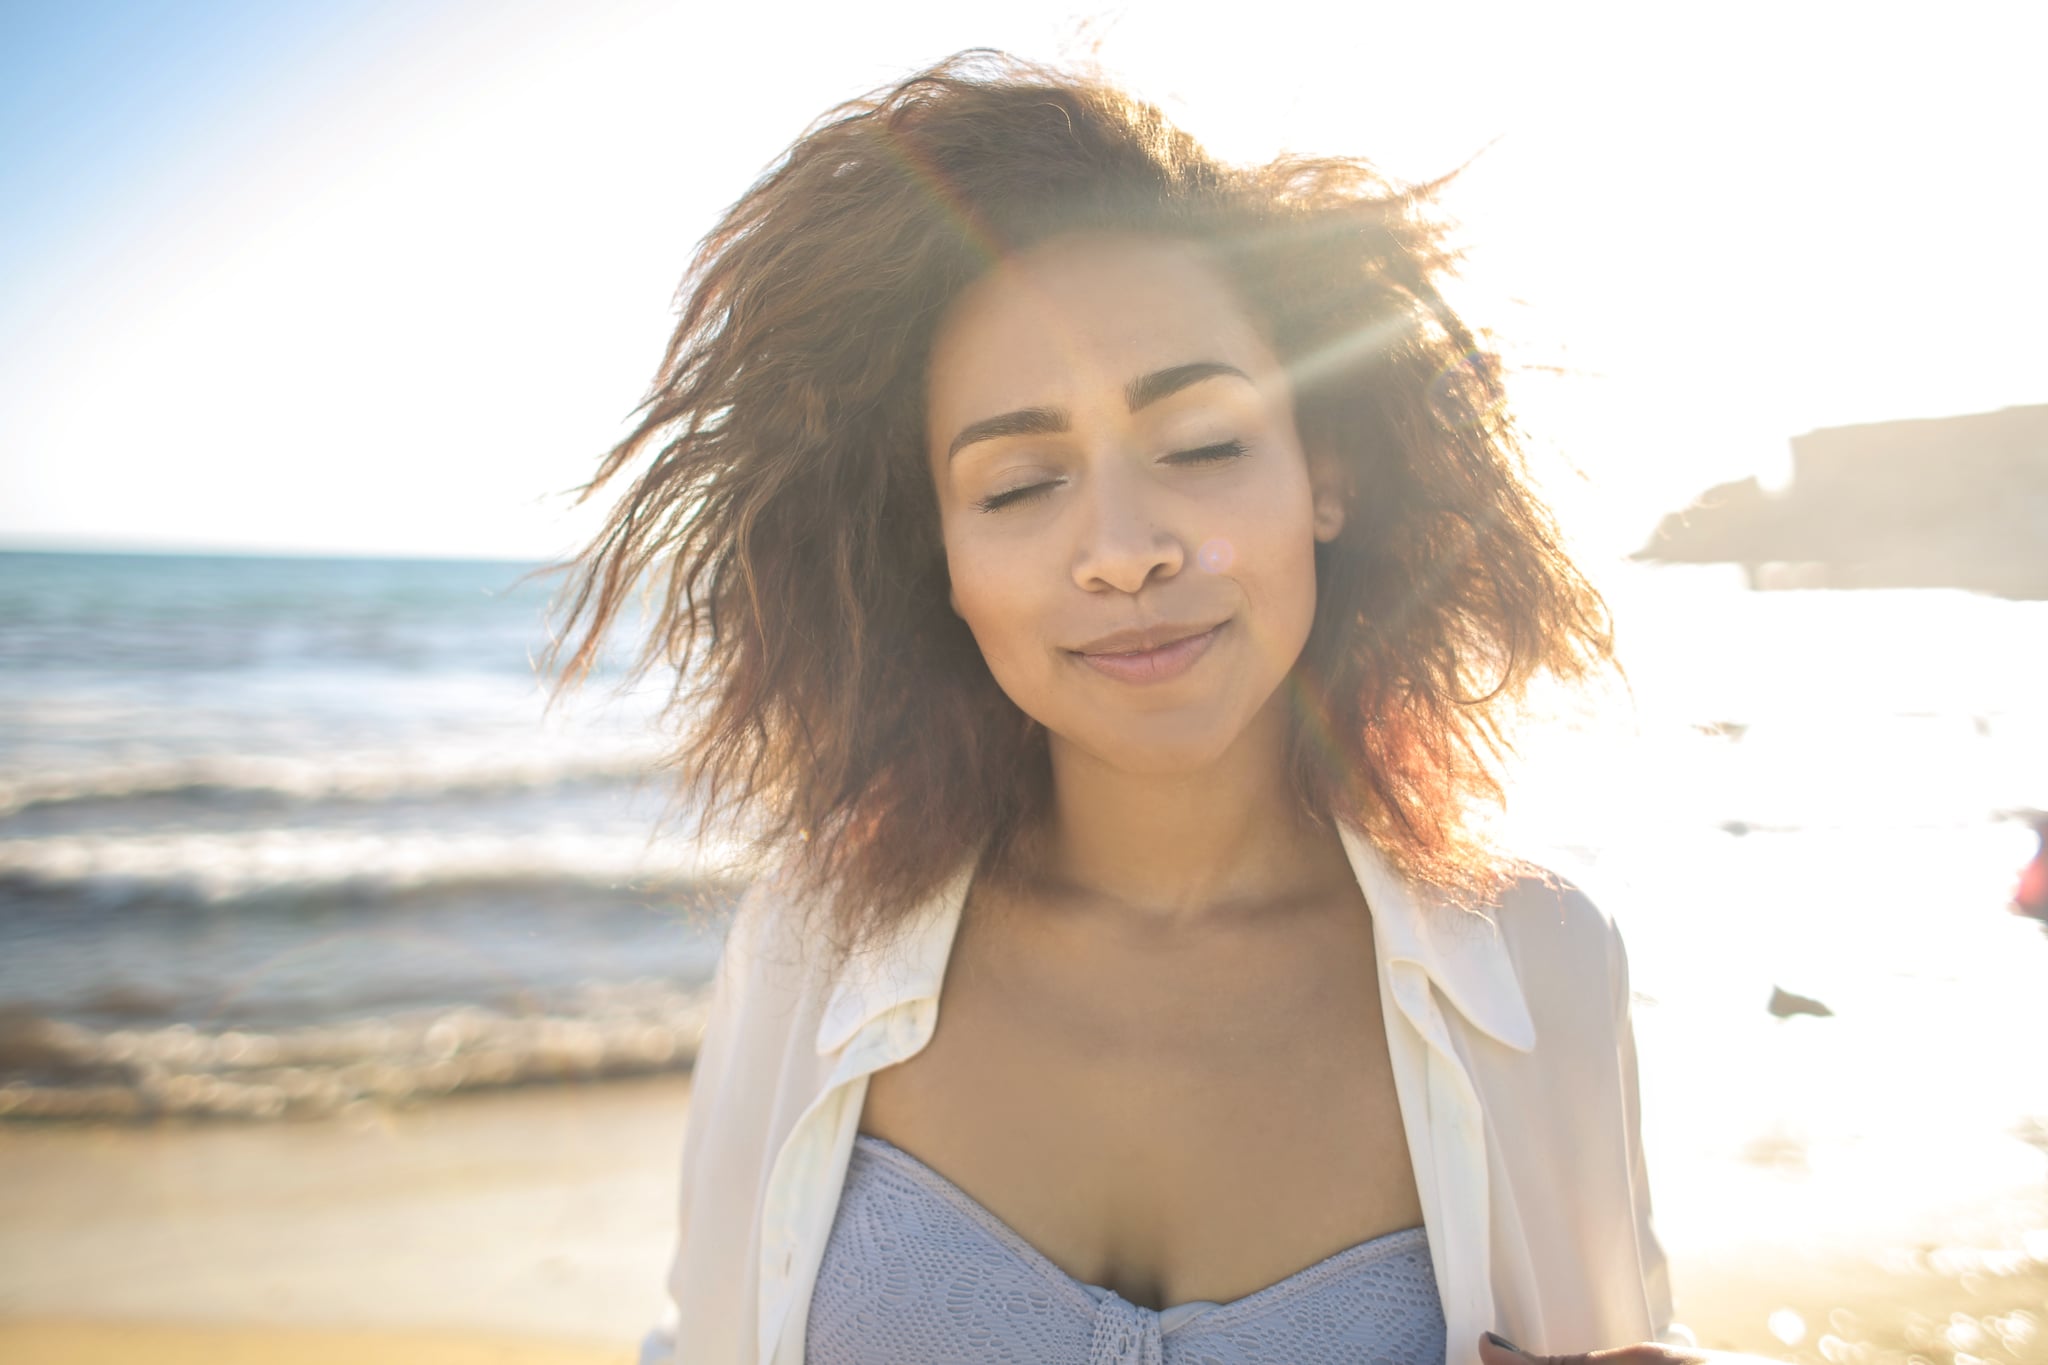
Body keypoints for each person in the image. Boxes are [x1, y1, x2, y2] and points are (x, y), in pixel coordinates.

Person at [554, 50, 1707, 1365]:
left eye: (1204, 444)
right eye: (1017, 484)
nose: (1123, 548)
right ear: (939, 556)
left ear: (1320, 474)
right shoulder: (811, 938)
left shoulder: (1538, 962)